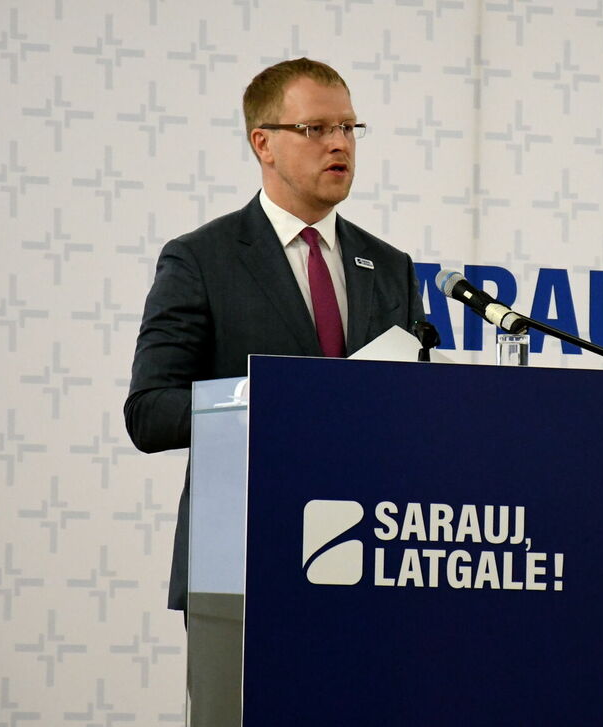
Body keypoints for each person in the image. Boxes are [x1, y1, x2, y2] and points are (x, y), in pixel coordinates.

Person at [125, 58, 425, 613]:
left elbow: (413, 412)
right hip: (242, 557)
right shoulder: (202, 259)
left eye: (348, 128)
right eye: (316, 129)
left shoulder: (390, 267)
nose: (339, 144)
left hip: (372, 557)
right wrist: (271, 405)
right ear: (263, 144)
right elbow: (149, 412)